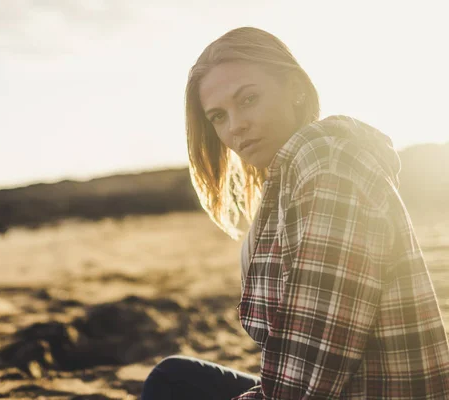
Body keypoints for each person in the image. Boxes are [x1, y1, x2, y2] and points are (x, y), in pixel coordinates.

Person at [141, 27, 449, 399]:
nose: (235, 125)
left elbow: (315, 366)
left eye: (249, 99)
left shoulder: (328, 164)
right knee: (174, 377)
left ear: (295, 89)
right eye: (218, 116)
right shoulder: (292, 176)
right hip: (345, 385)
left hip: (374, 391)